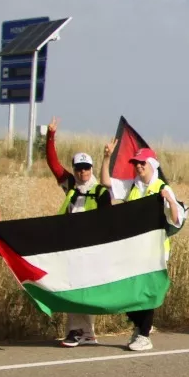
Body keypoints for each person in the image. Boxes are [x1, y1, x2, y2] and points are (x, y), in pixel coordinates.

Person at [103, 142, 184, 350]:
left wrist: (170, 201)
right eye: (136, 163)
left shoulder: (162, 188)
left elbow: (176, 219)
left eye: (142, 163)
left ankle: (144, 335)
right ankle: (140, 327)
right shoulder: (132, 185)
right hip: (133, 250)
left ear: (151, 164)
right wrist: (107, 157)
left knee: (146, 293)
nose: (138, 166)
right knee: (127, 291)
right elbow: (106, 182)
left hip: (154, 252)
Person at [57, 143, 113, 346]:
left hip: (92, 249)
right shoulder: (72, 192)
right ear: (74, 170)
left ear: (91, 168)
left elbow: (107, 221)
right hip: (73, 247)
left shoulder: (100, 192)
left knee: (82, 289)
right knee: (75, 287)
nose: (83, 172)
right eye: (79, 169)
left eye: (86, 168)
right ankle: (85, 332)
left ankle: (78, 331)